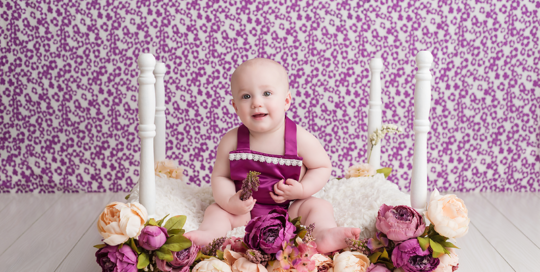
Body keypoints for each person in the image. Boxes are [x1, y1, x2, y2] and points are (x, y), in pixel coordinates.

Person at [184, 58, 360, 253]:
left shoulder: (300, 138)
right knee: (215, 210)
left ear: (286, 101)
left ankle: (324, 234)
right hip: (246, 212)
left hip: (290, 209)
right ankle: (209, 235)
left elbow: (322, 166)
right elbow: (221, 176)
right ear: (234, 106)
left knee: (318, 206)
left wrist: (302, 190)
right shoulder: (231, 140)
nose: (256, 103)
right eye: (246, 96)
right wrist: (229, 201)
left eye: (266, 93)